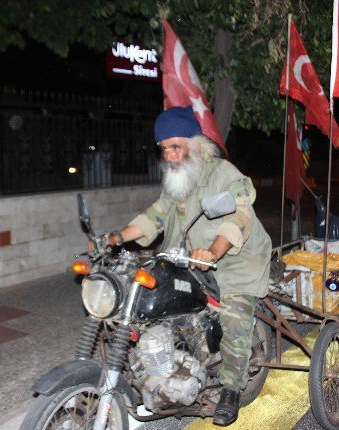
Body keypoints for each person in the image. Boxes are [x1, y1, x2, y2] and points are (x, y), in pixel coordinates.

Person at [95, 106, 272, 426]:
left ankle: (232, 388)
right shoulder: (176, 180)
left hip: (236, 259)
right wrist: (115, 237)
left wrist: (216, 251)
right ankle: (162, 371)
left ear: (195, 143)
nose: (170, 155)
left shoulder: (222, 172)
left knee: (233, 314)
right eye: (164, 149)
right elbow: (156, 216)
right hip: (188, 257)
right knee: (149, 304)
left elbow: (240, 214)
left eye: (176, 146)